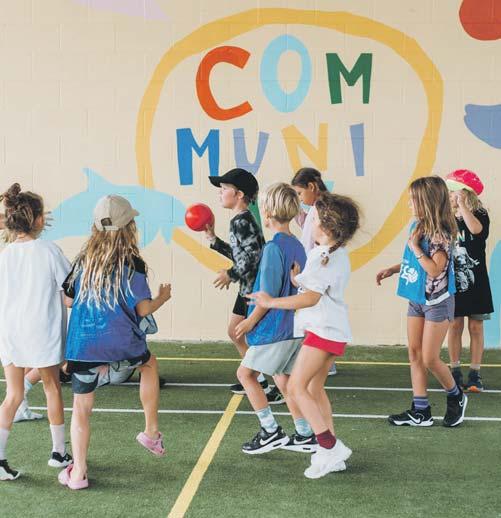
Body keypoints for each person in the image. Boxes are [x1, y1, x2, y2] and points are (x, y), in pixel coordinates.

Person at [58, 195, 170, 490]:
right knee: (149, 364)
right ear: (129, 226)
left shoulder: (84, 261)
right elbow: (142, 309)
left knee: (81, 407)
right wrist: (162, 298)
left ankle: (78, 472)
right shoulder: (133, 263)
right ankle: (151, 431)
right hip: (123, 343)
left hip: (84, 346)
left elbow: (68, 299)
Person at [249, 192, 360, 478]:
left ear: (326, 226)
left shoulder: (323, 256)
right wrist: (298, 278)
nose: (309, 221)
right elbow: (318, 286)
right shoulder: (333, 254)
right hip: (332, 330)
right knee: (314, 389)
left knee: (297, 388)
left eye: (315, 218)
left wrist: (271, 302)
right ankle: (329, 453)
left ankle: (329, 446)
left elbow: (311, 298)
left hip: (322, 330)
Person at [377, 176, 468, 428]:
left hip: (438, 302)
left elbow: (435, 270)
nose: (409, 204)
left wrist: (415, 246)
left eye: (413, 200)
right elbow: (417, 260)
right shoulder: (417, 226)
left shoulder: (441, 233)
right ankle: (421, 411)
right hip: (417, 298)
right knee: (415, 354)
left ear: (427, 202)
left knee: (429, 358)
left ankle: (456, 396)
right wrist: (394, 269)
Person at [0, 183, 72, 481]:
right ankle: (58, 453)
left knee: (13, 394)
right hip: (42, 330)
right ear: (40, 219)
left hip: (10, 332)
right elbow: (70, 294)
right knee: (52, 387)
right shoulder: (49, 250)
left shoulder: (5, 254)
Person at [234, 183, 312, 453]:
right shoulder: (298, 246)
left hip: (275, 328)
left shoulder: (273, 248)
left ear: (267, 213)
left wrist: (250, 321)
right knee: (284, 380)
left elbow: (267, 295)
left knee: (245, 374)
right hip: (295, 327)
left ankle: (270, 430)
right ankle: (305, 433)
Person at [205, 169, 280, 402]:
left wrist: (231, 274)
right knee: (235, 332)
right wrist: (214, 240)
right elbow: (242, 255)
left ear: (239, 194)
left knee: (259, 339)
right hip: (247, 288)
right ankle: (259, 380)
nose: (220, 193)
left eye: (224, 189)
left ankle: (279, 385)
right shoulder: (240, 219)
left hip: (254, 291)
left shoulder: (242, 221)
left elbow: (253, 257)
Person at [446, 169, 493, 392]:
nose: (450, 195)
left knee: (476, 326)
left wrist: (463, 206)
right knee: (455, 324)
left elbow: (476, 230)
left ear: (465, 193)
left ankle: (475, 374)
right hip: (453, 281)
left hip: (477, 281)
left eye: (453, 191)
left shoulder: (480, 213)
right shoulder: (445, 217)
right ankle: (454, 370)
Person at [291, 167, 337, 377]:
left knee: (317, 317)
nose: (300, 198)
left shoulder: (323, 207)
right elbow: (308, 228)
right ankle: (321, 361)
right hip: (315, 268)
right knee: (314, 317)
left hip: (318, 269)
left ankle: (322, 362)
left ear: (312, 186)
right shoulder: (316, 207)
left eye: (300, 193)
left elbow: (322, 238)